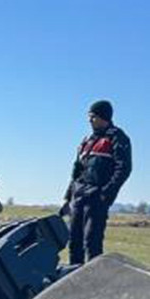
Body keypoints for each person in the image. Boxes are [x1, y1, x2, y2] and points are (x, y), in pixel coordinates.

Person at [61, 99, 132, 264]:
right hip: (79, 196)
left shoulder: (117, 138)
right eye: (89, 116)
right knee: (74, 242)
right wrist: (67, 198)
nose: (89, 120)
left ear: (103, 117)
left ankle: (92, 283)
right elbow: (76, 171)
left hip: (96, 198)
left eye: (92, 116)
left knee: (91, 243)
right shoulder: (87, 141)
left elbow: (124, 168)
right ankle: (73, 280)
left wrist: (106, 194)